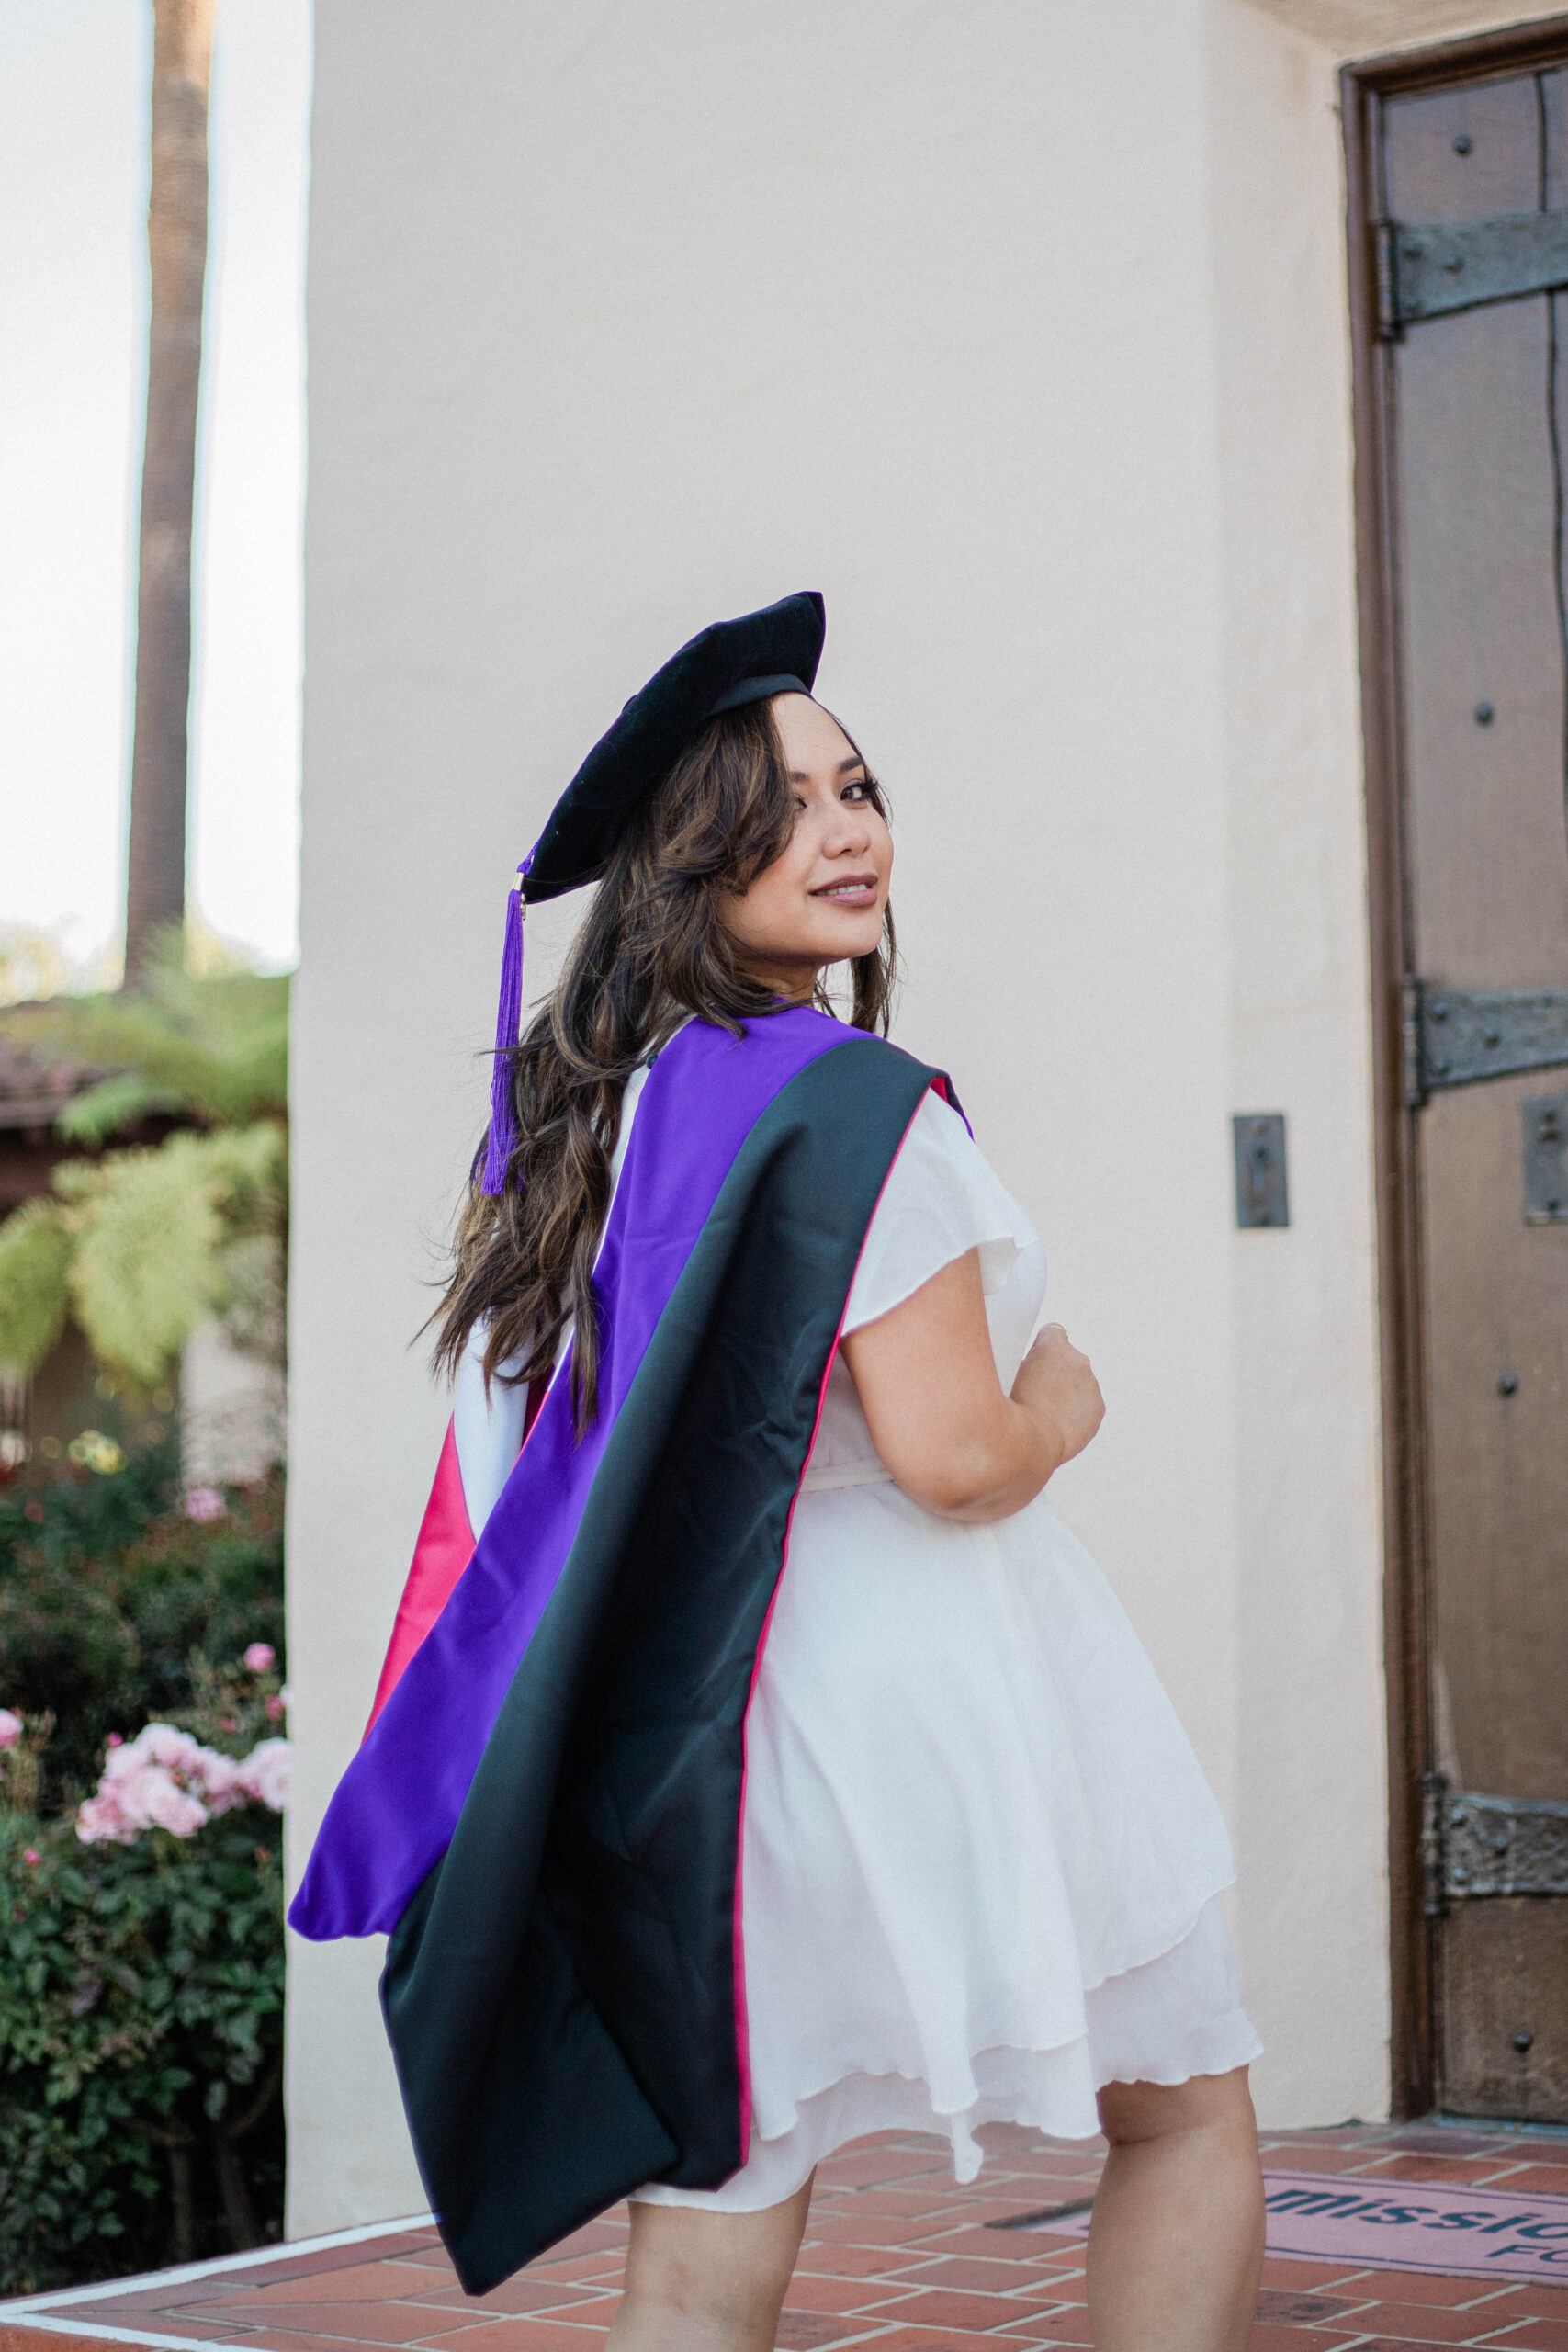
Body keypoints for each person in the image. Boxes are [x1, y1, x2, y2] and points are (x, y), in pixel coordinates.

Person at [292, 594, 1266, 2352]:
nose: (846, 830)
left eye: (858, 787)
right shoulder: (849, 1107)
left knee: (717, 2219)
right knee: (1183, 2107)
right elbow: (956, 1456)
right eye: (785, 804)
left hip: (712, 1738)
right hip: (939, 1699)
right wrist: (1068, 1402)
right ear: (689, 862)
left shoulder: (585, 1122)